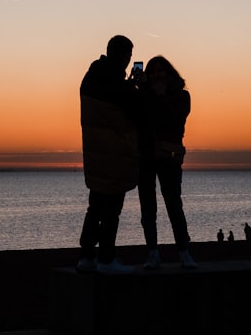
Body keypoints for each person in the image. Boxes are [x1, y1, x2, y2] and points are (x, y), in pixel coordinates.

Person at [76, 35, 142, 275]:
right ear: (122, 55)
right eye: (129, 55)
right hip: (115, 155)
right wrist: (138, 86)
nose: (129, 60)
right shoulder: (117, 83)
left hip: (95, 155)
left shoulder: (91, 77)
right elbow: (136, 110)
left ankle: (86, 256)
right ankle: (106, 258)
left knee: (95, 207)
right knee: (112, 210)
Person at [137, 55, 196, 270]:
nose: (156, 75)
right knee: (147, 209)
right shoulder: (142, 95)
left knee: (174, 206)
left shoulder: (182, 96)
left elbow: (173, 119)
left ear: (169, 73)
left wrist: (157, 98)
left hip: (169, 157)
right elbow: (136, 117)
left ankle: (184, 252)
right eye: (152, 71)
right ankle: (153, 253)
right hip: (144, 157)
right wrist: (140, 89)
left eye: (160, 70)